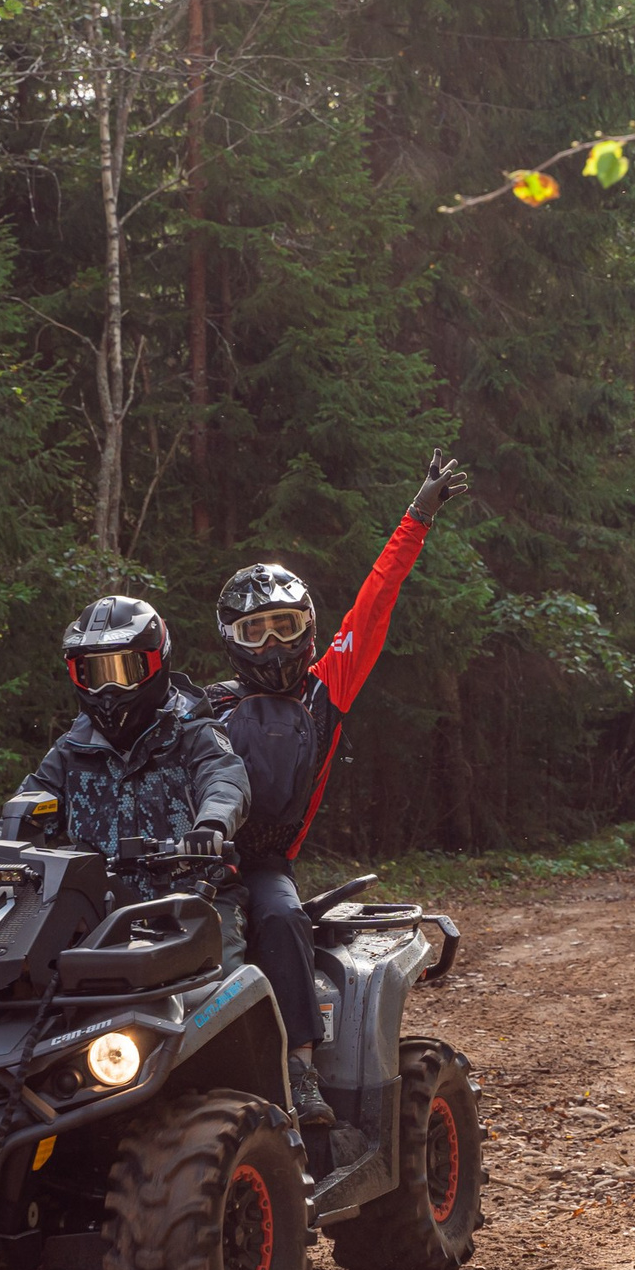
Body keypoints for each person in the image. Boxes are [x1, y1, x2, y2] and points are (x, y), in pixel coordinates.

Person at [196, 450, 471, 1159]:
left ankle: (299, 1070)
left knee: (282, 918)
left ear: (309, 628)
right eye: (255, 630)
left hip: (261, 862)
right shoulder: (202, 705)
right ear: (230, 636)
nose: (274, 643)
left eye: (286, 625)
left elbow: (375, 600)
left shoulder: (327, 687)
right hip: (188, 861)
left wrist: (417, 517)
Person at [0, 596, 251, 960]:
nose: (107, 690)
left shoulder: (194, 734)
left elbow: (224, 779)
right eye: (93, 673)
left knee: (216, 987)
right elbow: (27, 809)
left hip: (194, 899)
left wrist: (213, 821)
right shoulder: (70, 751)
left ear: (157, 661)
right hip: (94, 909)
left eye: (122, 671)